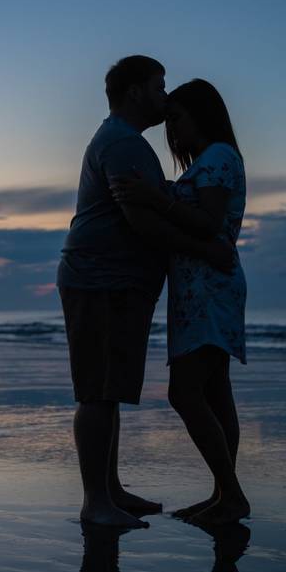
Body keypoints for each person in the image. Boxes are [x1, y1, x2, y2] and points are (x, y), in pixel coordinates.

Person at [57, 58, 234, 529]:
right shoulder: (123, 143)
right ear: (135, 91)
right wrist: (207, 249)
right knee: (97, 391)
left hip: (115, 281)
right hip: (100, 279)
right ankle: (96, 501)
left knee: (109, 388)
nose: (165, 95)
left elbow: (155, 210)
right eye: (159, 86)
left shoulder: (124, 142)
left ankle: (109, 490)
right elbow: (144, 222)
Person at [110, 78, 250, 526]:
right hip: (201, 286)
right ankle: (223, 495)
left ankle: (232, 495)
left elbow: (208, 223)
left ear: (202, 116)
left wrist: (156, 197)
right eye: (167, 119)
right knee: (214, 390)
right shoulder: (209, 162)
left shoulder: (219, 158)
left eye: (177, 118)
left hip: (210, 286)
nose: (171, 129)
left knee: (185, 392)